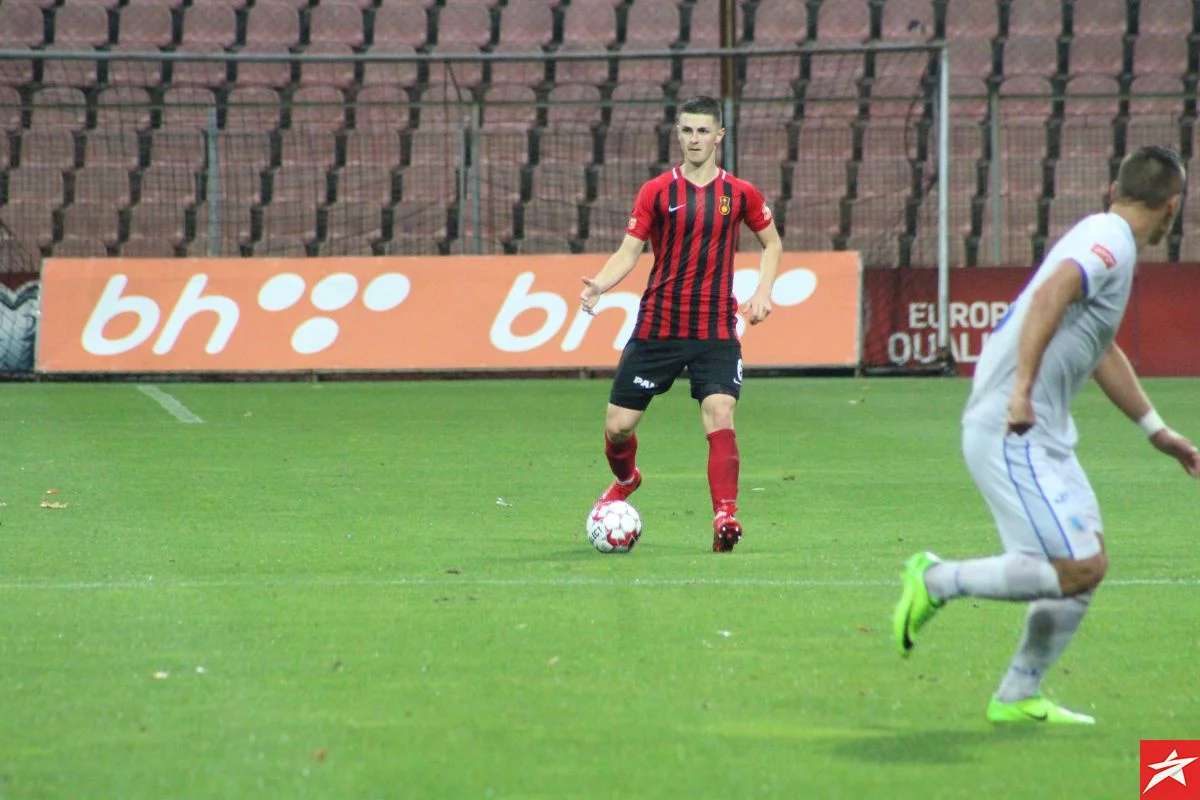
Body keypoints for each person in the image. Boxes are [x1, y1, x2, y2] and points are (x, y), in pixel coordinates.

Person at [892, 145, 1200, 723]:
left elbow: (1100, 348)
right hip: (1013, 427)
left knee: (1089, 566)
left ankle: (1018, 694)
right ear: (1173, 206)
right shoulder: (1108, 239)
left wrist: (1156, 431)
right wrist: (1021, 390)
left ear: (1114, 189)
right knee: (1073, 567)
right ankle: (935, 580)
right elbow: (1052, 292)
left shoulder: (1108, 239)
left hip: (1043, 434)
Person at [579, 95, 782, 552]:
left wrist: (763, 291)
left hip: (714, 328)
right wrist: (600, 285)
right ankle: (627, 480)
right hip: (660, 326)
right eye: (687, 130)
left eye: (703, 131)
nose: (695, 139)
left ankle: (725, 516)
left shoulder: (740, 193)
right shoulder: (656, 192)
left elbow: (771, 243)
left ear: (719, 136)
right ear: (678, 134)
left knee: (720, 411)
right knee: (618, 427)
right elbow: (629, 251)